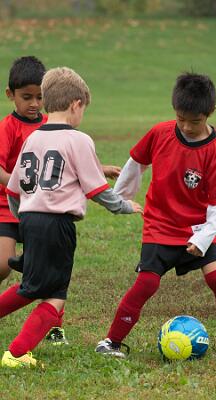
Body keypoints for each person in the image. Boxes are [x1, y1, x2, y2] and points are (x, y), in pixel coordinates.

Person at [95, 72, 216, 358]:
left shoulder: (215, 150)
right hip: (159, 225)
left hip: (197, 229)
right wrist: (121, 197)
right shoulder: (160, 133)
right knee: (146, 284)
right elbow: (136, 162)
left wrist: (203, 238)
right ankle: (112, 342)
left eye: (195, 121)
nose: (186, 126)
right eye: (181, 119)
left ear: (210, 112)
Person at [1, 67, 142, 368]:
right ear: (76, 104)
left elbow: (13, 190)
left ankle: (18, 351)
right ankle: (17, 354)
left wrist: (23, 221)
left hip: (30, 219)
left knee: (32, 286)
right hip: (57, 225)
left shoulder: (32, 138)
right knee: (54, 294)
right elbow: (97, 189)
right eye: (83, 109)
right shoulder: (79, 140)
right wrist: (124, 206)